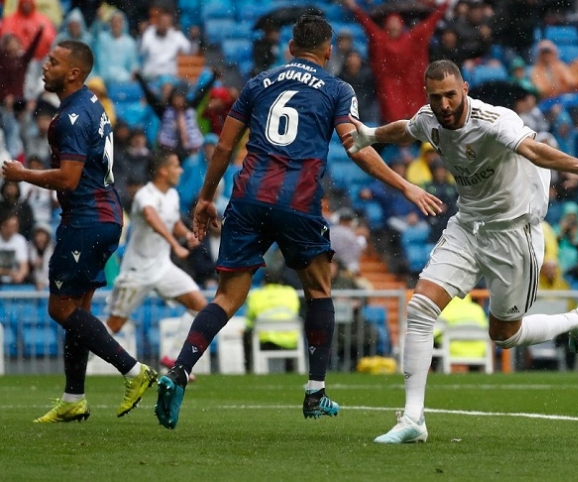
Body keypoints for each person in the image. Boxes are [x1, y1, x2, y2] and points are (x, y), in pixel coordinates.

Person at [153, 15, 442, 430]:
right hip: (297, 200)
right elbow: (356, 147)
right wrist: (406, 186)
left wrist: (204, 199)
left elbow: (224, 146)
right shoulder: (337, 88)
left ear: (290, 48)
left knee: (227, 298)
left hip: (248, 197)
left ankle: (180, 370)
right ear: (328, 51)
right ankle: (315, 391)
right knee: (319, 290)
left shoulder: (259, 82)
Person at [343, 59, 578, 443]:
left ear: (465, 89)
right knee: (420, 308)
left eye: (451, 95)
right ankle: (413, 419)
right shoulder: (430, 118)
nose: (444, 104)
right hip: (468, 227)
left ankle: (577, 320)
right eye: (436, 97)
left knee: (505, 335)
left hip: (513, 233)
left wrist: (576, 167)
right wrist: (371, 135)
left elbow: (532, 150)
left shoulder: (493, 121)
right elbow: (407, 128)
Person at [1, 40, 157, 423]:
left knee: (60, 307)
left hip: (86, 219)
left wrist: (23, 174)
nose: (44, 67)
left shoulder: (69, 117)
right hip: (105, 215)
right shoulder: (92, 104)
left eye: (53, 62)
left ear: (73, 73)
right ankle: (74, 398)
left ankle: (134, 370)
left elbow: (69, 179)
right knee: (79, 310)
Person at [105, 151, 208, 373]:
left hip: (162, 268)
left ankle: (172, 358)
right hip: (137, 270)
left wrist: (186, 234)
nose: (180, 170)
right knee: (114, 325)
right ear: (163, 171)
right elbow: (152, 218)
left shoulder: (172, 195)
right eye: (176, 166)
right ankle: (80, 359)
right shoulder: (145, 195)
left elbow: (172, 221)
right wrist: (175, 245)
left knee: (200, 306)